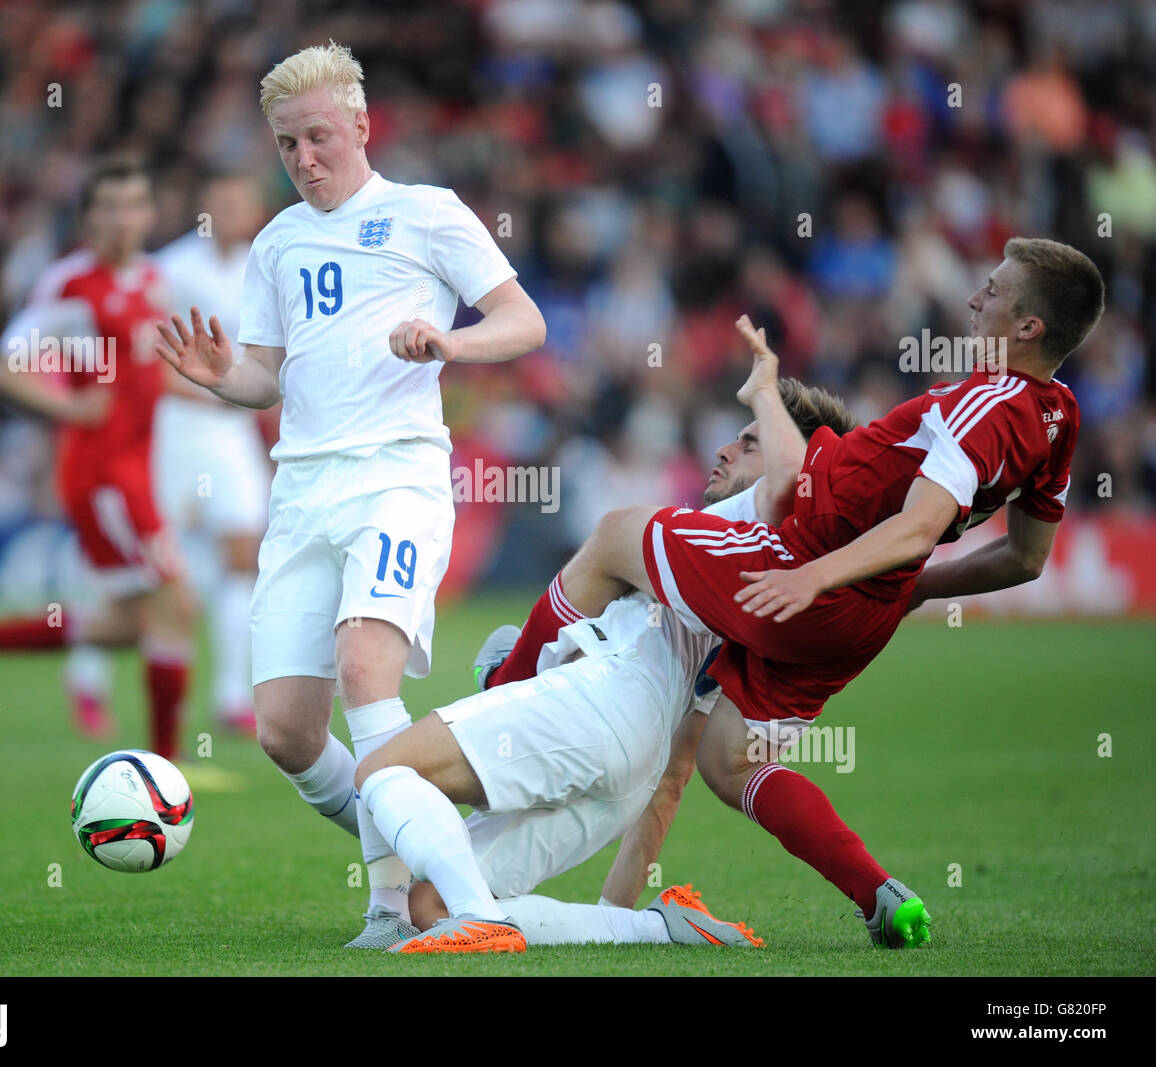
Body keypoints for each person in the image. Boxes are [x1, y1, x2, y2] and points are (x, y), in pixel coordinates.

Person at [476, 237, 1104, 949]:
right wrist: (914, 590)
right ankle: (878, 894)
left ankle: (499, 691)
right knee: (727, 760)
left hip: (806, 556)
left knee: (619, 535)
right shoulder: (1059, 416)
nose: (973, 298)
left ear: (1029, 327)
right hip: (864, 613)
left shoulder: (984, 403)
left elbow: (909, 520)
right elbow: (1026, 558)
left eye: (992, 290)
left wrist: (812, 571)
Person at [153, 41, 546, 946]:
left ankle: (395, 904)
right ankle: (431, 841)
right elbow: (268, 376)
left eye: (320, 137)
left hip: (395, 477)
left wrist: (451, 345)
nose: (305, 160)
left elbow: (522, 322)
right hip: (303, 492)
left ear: (364, 126)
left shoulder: (427, 214)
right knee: (288, 732)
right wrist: (224, 376)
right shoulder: (278, 241)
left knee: (366, 672)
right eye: (287, 144)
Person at [355, 359, 858, 954]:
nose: (723, 450)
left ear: (786, 465)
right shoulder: (777, 593)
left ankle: (475, 919)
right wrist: (617, 910)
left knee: (383, 771)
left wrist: (514, 674)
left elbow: (615, 537)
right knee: (427, 904)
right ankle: (654, 928)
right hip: (631, 773)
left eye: (750, 442)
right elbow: (674, 774)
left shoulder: (731, 529)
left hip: (602, 703)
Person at [0, 155, 205, 780]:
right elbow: (7, 368)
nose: (121, 219)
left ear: (149, 213)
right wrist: (71, 404)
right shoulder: (70, 285)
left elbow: (150, 375)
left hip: (136, 470)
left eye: (133, 204)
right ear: (87, 217)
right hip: (103, 474)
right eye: (107, 207)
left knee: (129, 624)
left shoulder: (152, 281)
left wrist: (225, 396)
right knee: (178, 603)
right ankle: (167, 766)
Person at [65, 171, 275, 739]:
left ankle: (232, 696)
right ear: (205, 204)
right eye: (220, 196)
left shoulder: (266, 264)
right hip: (170, 432)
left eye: (240, 197)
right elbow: (143, 355)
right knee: (141, 574)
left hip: (230, 434)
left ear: (255, 208)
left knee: (242, 555)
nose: (230, 206)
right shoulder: (171, 270)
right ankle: (87, 681)